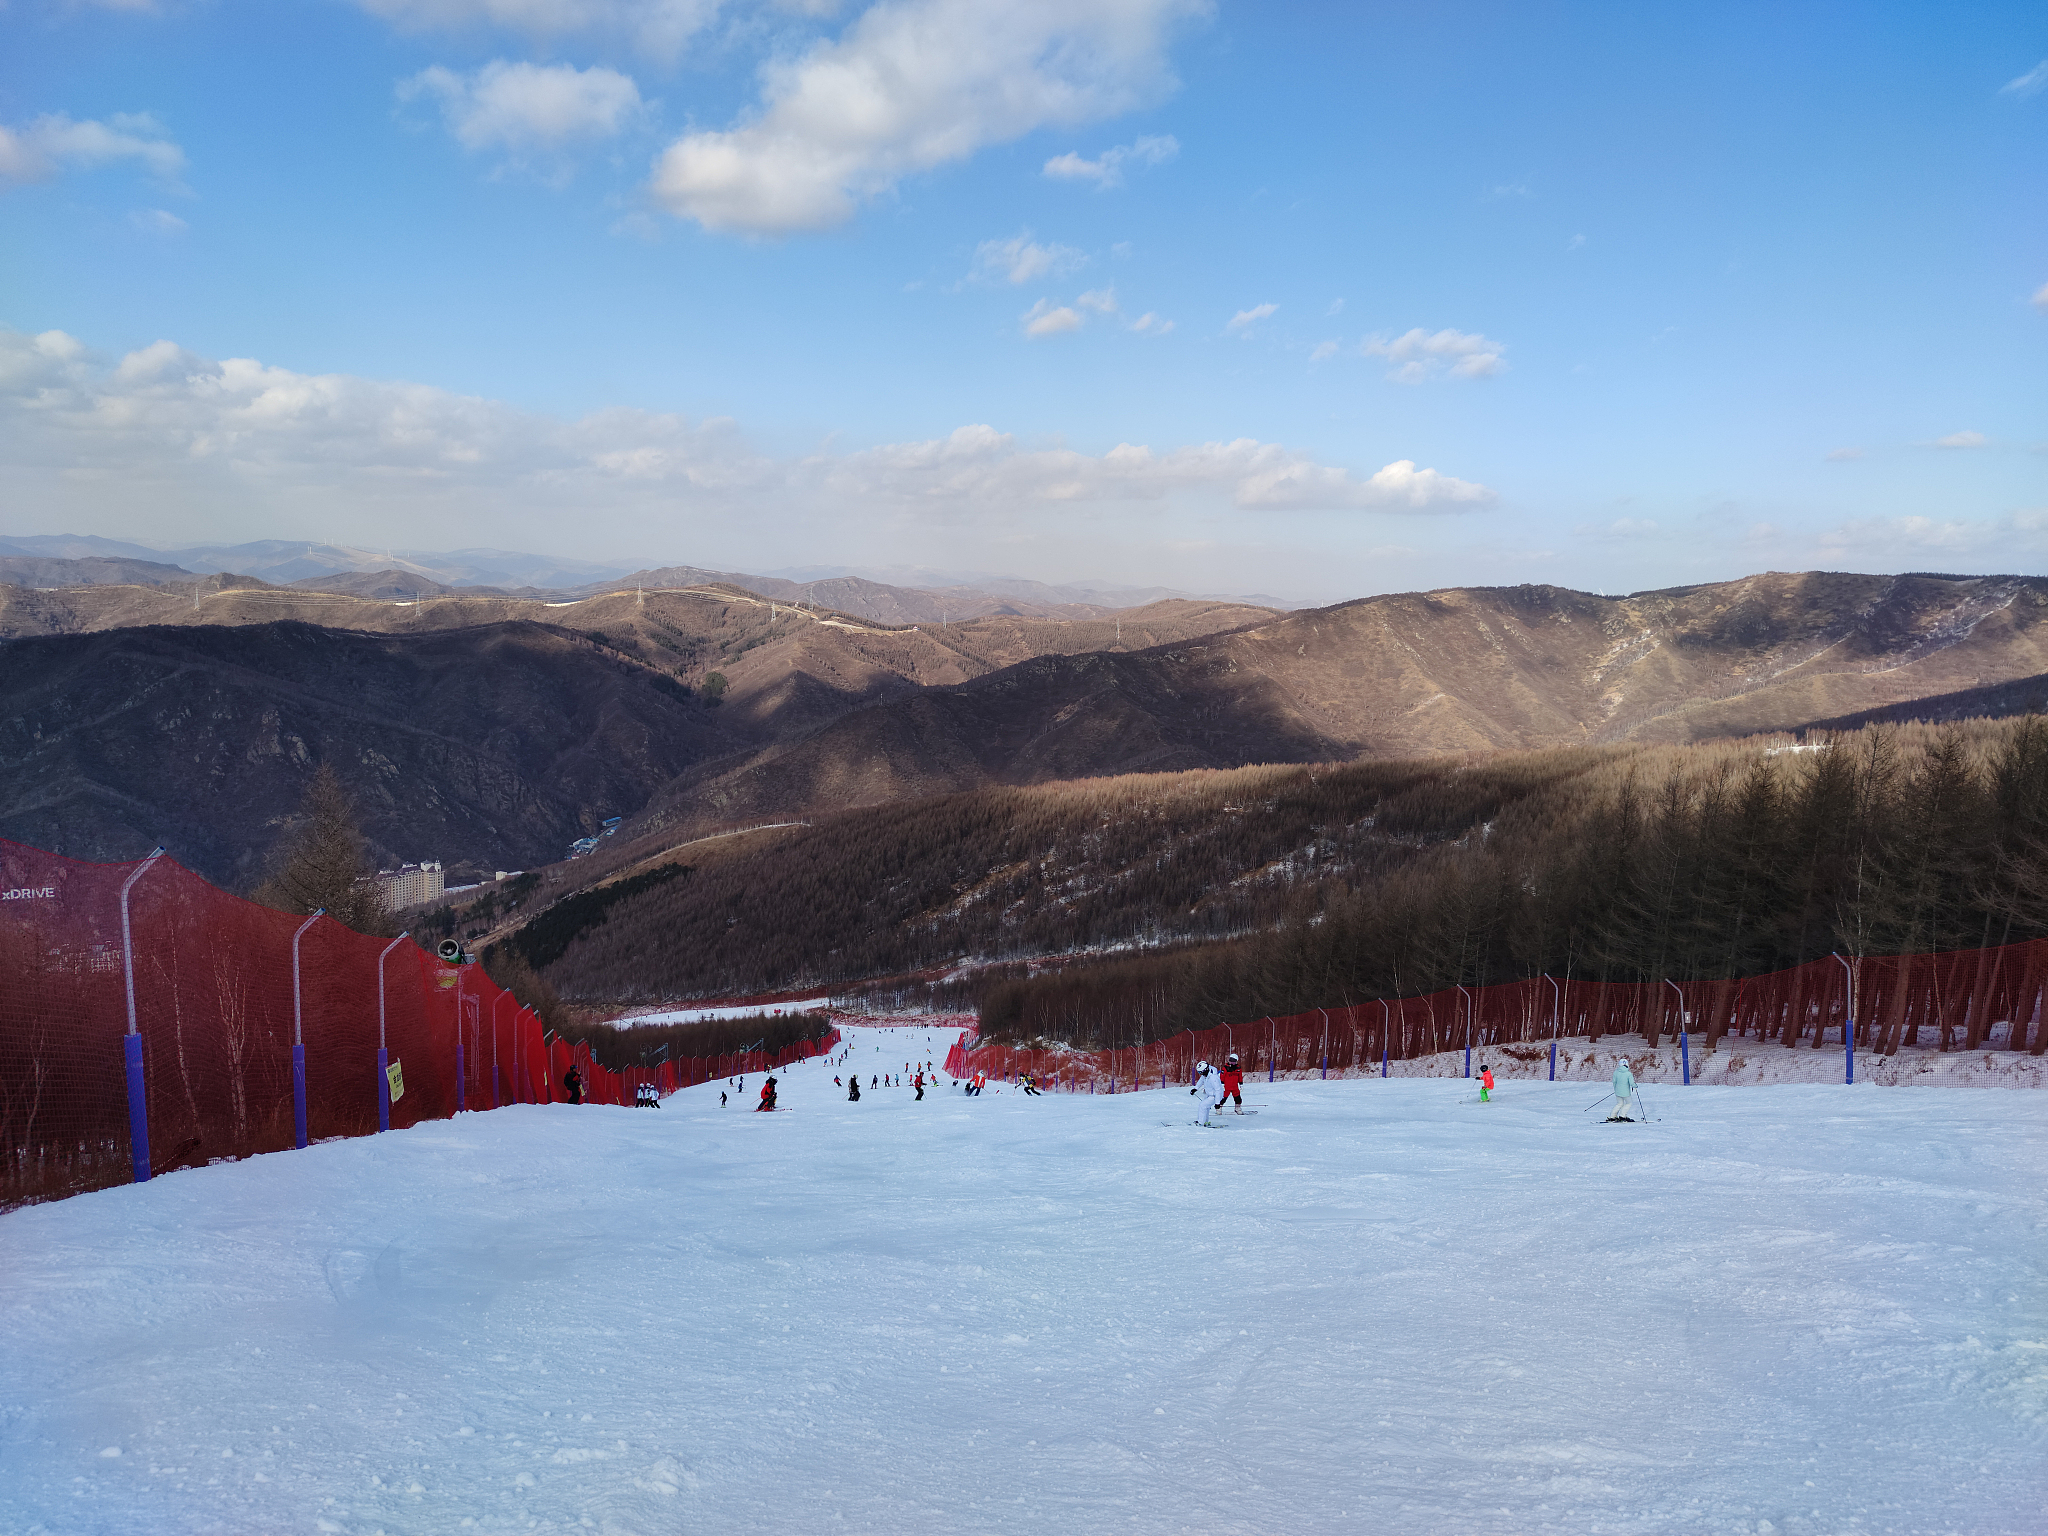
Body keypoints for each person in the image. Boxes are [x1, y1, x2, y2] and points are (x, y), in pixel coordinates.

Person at [1190, 1059, 1226, 1125]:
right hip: (1209, 1094)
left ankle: (1201, 1122)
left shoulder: (1213, 1078)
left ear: (1205, 1070)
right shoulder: (1206, 1074)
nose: (1200, 1074)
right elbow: (1201, 1080)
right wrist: (1196, 1088)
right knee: (1205, 1107)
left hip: (1215, 1096)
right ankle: (1205, 1121)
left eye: (1200, 1072)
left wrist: (1217, 1103)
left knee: (1202, 1105)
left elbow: (1218, 1090)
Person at [1609, 1057, 1636, 1122]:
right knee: (1629, 1103)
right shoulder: (1628, 1073)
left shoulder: (1616, 1072)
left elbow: (1614, 1082)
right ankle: (1622, 1116)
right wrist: (1635, 1086)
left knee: (1619, 1103)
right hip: (1626, 1093)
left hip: (1618, 1092)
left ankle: (1612, 1116)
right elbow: (1631, 1083)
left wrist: (1616, 1089)